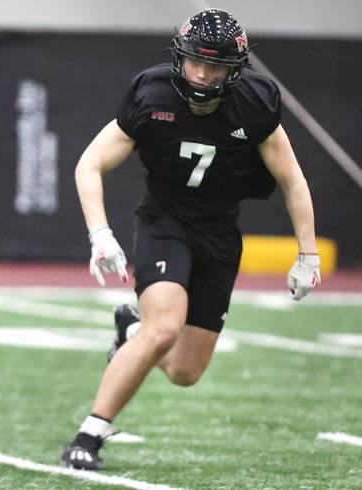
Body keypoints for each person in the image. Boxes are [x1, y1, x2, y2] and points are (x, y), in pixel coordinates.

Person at [61, 9, 321, 471]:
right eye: (194, 61)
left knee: (185, 371)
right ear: (179, 57)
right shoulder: (152, 93)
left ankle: (131, 330)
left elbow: (293, 180)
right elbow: (90, 164)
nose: (200, 74)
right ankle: (89, 435)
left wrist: (308, 253)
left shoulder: (255, 102)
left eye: (214, 65)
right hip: (165, 221)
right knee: (164, 328)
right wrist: (100, 234)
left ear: (233, 70)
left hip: (220, 231)